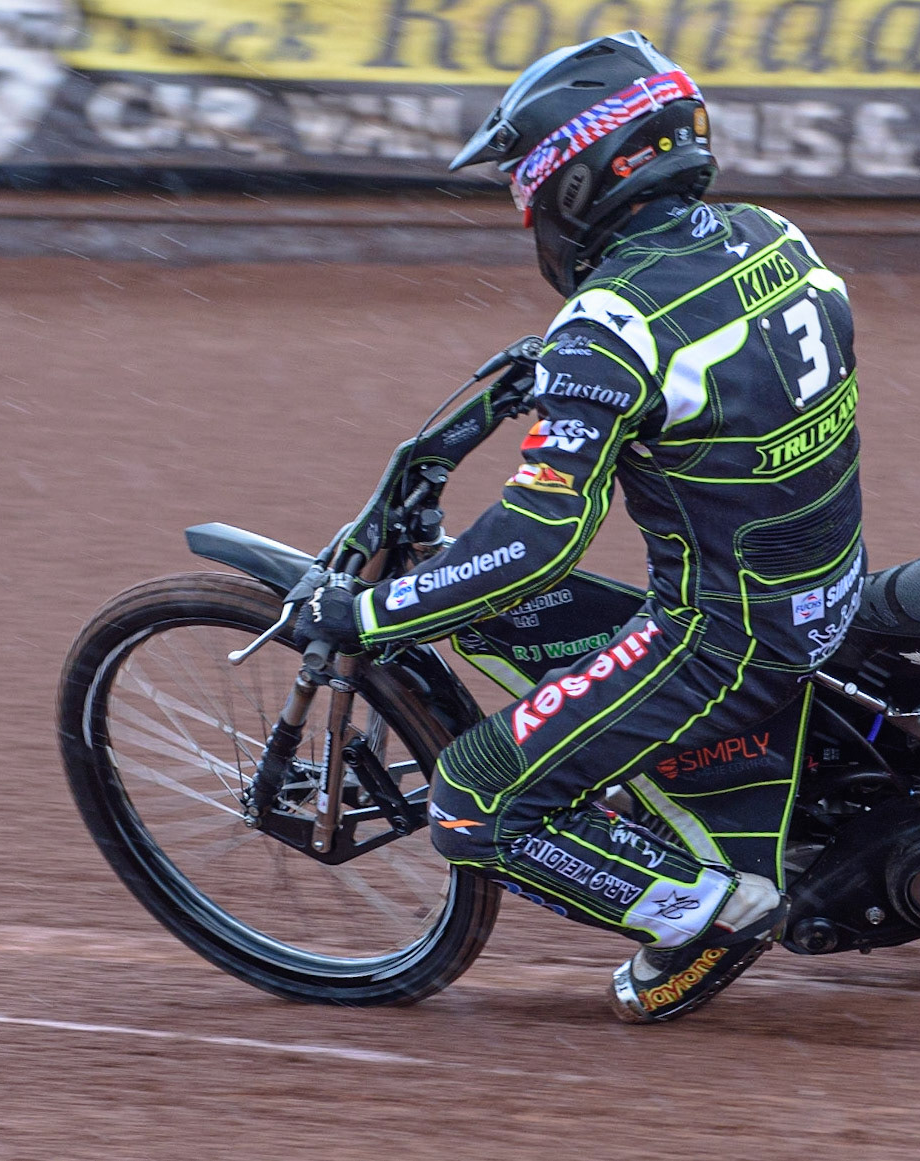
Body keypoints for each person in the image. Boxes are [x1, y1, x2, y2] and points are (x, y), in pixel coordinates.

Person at [293, 30, 864, 1023]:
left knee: (474, 793)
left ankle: (710, 915)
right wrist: (567, 368)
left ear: (576, 177)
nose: (524, 210)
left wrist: (371, 617)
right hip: (825, 578)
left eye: (524, 183)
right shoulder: (772, 235)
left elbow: (532, 546)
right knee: (533, 633)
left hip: (724, 638)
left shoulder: (611, 325)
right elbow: (702, 344)